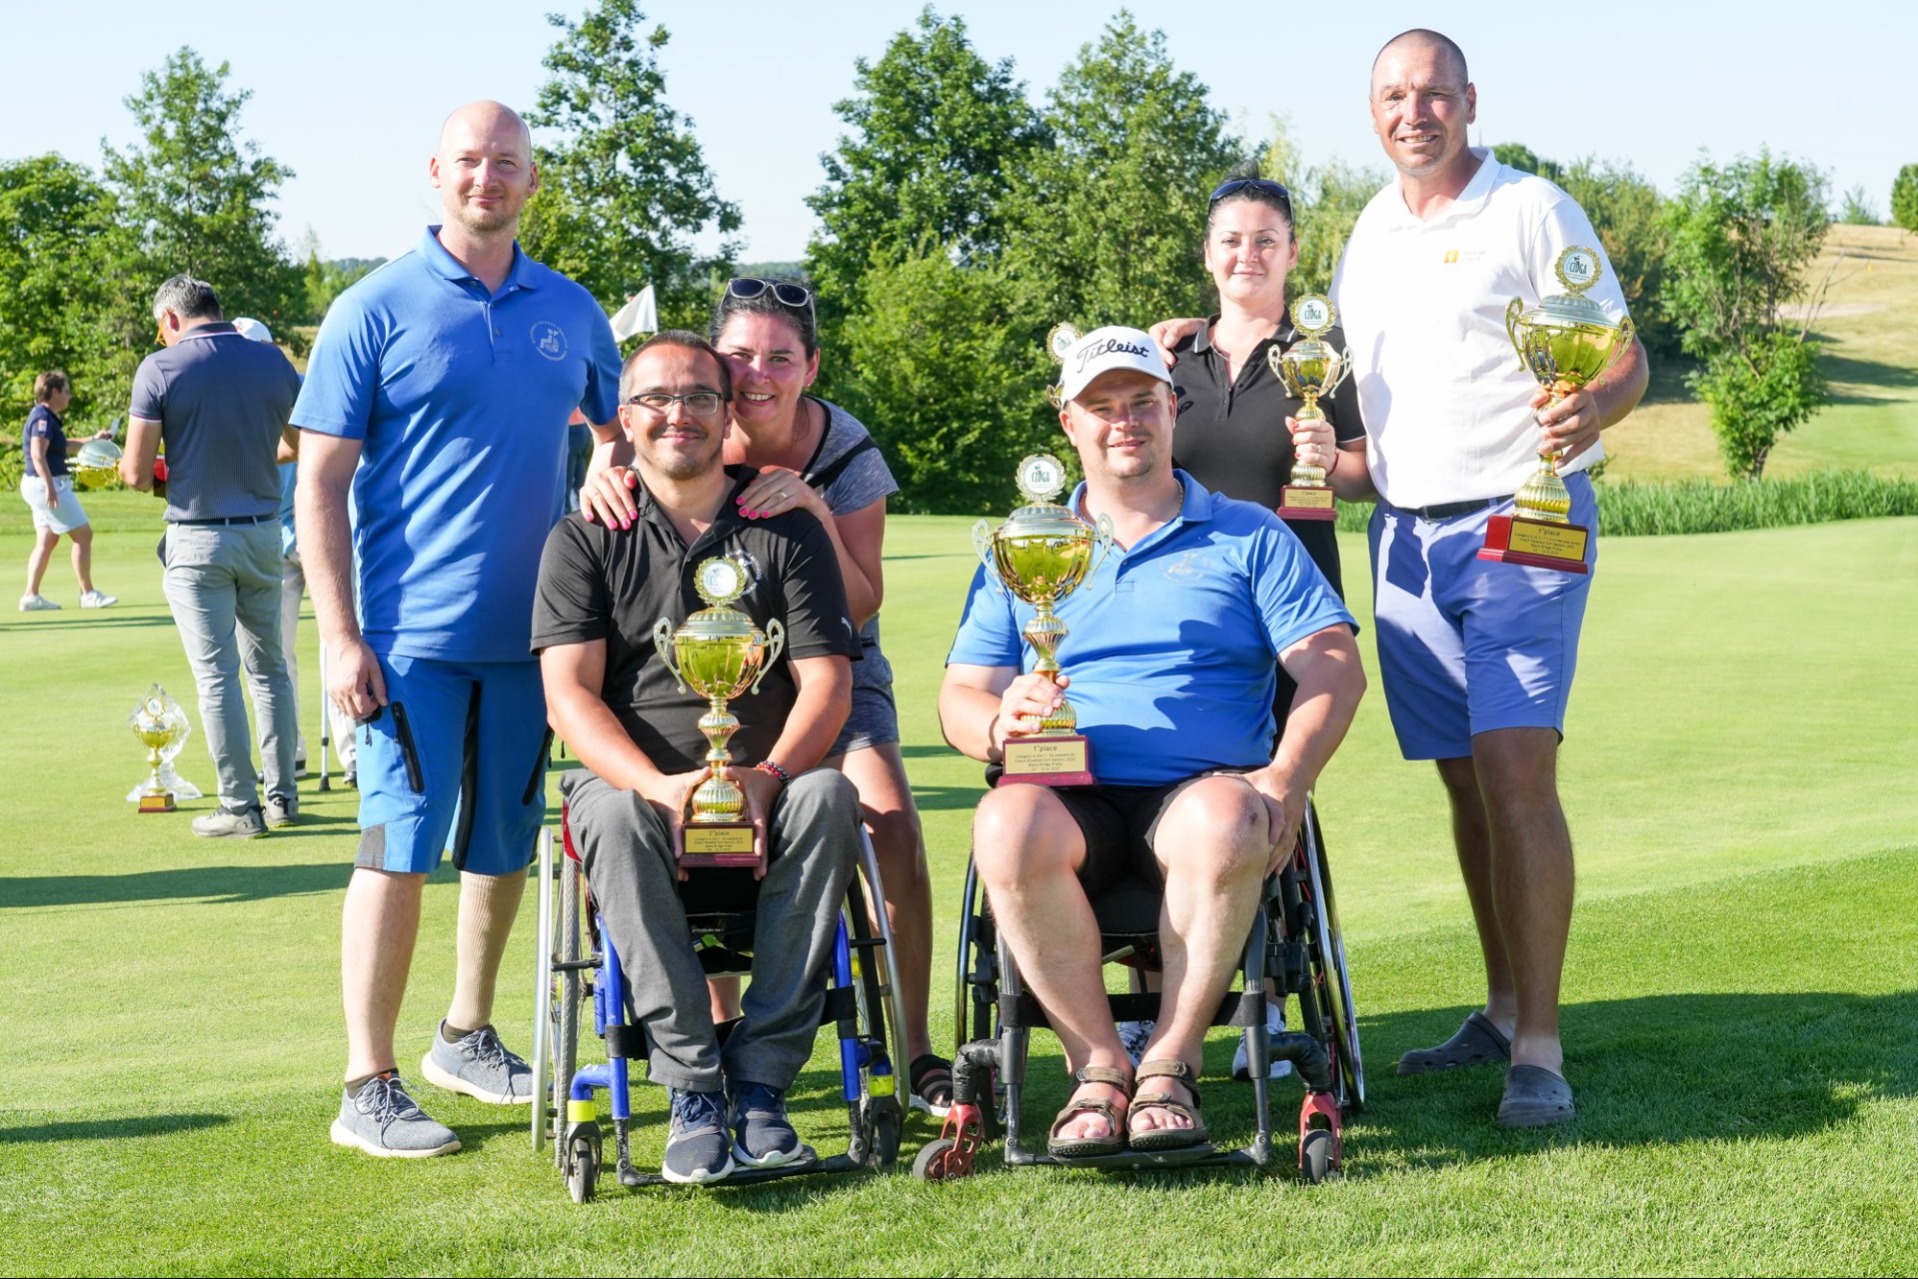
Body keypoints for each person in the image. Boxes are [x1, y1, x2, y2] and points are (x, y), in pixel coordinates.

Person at [938, 326, 1365, 1156]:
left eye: (1141, 401)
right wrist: (997, 721)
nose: (1123, 420)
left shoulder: (1249, 532)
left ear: (1173, 409)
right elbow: (960, 693)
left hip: (1202, 794)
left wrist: (1287, 776)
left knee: (1224, 817)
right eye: (1101, 406)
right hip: (1065, 799)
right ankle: (1098, 1070)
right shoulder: (1023, 547)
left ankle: (1168, 1066)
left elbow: (1333, 670)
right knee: (1001, 823)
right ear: (1069, 424)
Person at [294, 101, 621, 1158]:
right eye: (470, 161)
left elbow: (625, 434)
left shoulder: (570, 310)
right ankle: (367, 1081)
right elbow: (320, 482)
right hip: (406, 646)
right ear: (435, 171)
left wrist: (610, 474)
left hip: (537, 642)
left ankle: (465, 1036)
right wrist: (340, 636)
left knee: (501, 845)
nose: (489, 177)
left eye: (509, 163)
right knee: (398, 848)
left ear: (532, 179)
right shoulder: (372, 307)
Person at [1335, 30, 1649, 1126]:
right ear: (1372, 110)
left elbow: (1624, 357)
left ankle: (1542, 1052)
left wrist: (1593, 406)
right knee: (1464, 782)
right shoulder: (1367, 232)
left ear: (1469, 101)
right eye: (1392, 95)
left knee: (1518, 774)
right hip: (1404, 537)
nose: (1412, 110)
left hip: (1527, 522)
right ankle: (1503, 1003)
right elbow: (1375, 421)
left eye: (1431, 93)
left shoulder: (1530, 210)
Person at [579, 278, 948, 1115]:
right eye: (740, 354)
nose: (758, 372)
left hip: (823, 661)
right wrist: (604, 472)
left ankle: (917, 1038)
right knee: (699, 791)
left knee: (887, 817)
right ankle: (718, 1031)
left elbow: (859, 604)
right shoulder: (678, 425)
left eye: (780, 356)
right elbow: (613, 532)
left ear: (810, 366)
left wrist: (811, 509)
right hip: (698, 680)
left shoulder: (846, 449)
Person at [536, 330, 863, 1184]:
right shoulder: (585, 535)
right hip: (638, 799)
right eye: (656, 398)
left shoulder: (782, 524)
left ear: (727, 415)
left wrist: (768, 776)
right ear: (626, 418)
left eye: (698, 397)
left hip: (770, 791)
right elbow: (569, 694)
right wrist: (659, 787)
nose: (677, 413)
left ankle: (759, 1083)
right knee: (602, 807)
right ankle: (691, 1086)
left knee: (830, 794)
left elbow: (827, 682)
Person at [1138, 168, 1370, 1079]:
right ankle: (1160, 1001)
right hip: (1183, 613)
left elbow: (1362, 476)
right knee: (1168, 790)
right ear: (1209, 252)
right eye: (1231, 239)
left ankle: (1262, 1011)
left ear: (1292, 253)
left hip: (1293, 609)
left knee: (1270, 795)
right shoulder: (1168, 359)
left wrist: (1331, 457)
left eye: (1266, 239)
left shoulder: (1325, 352)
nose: (1248, 254)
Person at [119, 278, 302, 838]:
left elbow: (132, 470)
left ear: (172, 319)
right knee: (270, 670)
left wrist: (181, 473)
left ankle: (240, 807)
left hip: (198, 539)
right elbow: (298, 443)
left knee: (218, 678)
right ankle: (282, 800)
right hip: (264, 533)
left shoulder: (161, 367)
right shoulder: (274, 363)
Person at [18, 370, 116, 611]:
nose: (69, 396)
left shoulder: (47, 417)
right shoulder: (43, 418)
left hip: (37, 485)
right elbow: (36, 454)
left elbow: (65, 447)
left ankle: (31, 596)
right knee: (83, 535)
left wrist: (93, 439)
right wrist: (50, 487)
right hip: (47, 486)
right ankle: (88, 594)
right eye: (66, 391)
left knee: (47, 539)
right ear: (53, 392)